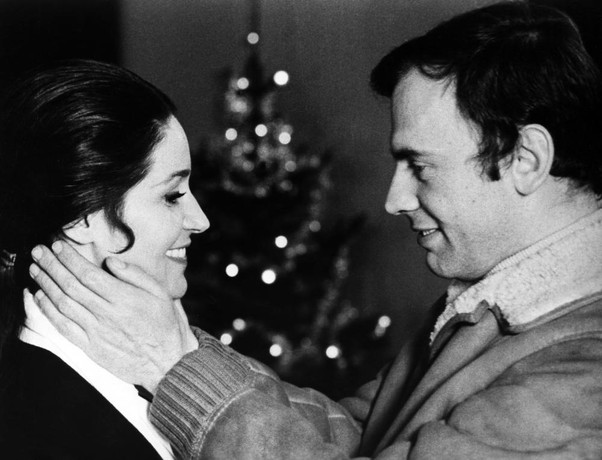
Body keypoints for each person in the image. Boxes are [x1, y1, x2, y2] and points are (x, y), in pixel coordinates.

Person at [28, 2, 602, 458]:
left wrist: (175, 367)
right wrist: (177, 352)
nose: (394, 200)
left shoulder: (585, 376)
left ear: (525, 159)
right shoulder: (486, 309)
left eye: (420, 167)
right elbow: (356, 436)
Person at [0, 59, 209, 459]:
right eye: (172, 195)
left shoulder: (160, 350)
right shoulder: (36, 427)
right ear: (82, 218)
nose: (201, 220)